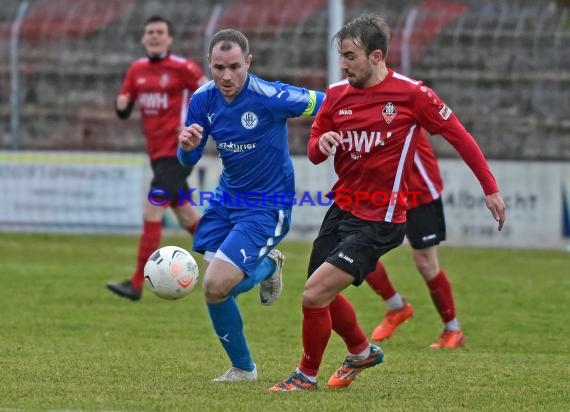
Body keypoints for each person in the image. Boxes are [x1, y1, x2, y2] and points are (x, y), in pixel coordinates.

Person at [269, 14, 505, 392]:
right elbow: (314, 151)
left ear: (376, 56)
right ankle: (361, 352)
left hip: (381, 218)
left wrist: (489, 188)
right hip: (342, 208)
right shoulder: (335, 96)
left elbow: (458, 135)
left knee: (314, 294)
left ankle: (305, 377)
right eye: (342, 56)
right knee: (320, 294)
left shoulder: (412, 95)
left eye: (351, 56)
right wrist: (322, 144)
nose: (344, 65)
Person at [177, 28, 324, 382]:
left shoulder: (270, 95)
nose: (226, 76)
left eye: (234, 67)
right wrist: (186, 146)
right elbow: (188, 160)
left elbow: (327, 102)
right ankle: (243, 369)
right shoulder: (202, 99)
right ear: (209, 65)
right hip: (227, 199)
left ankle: (267, 267)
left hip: (267, 204)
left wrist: (334, 129)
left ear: (248, 62)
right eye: (218, 68)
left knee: (214, 284)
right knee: (215, 291)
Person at [106, 16, 208, 301]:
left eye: (160, 32)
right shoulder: (136, 70)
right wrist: (121, 105)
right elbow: (123, 109)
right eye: (149, 32)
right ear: (143, 38)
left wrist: (193, 124)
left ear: (169, 39)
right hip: (156, 155)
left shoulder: (184, 68)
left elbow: (212, 96)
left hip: (177, 154)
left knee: (152, 211)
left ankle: (137, 283)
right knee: (187, 215)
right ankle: (240, 260)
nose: (154, 36)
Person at [366, 129, 464, 349]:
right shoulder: (356, 98)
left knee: (426, 263)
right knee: (358, 251)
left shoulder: (407, 97)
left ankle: (452, 329)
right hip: (383, 192)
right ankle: (396, 307)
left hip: (419, 192)